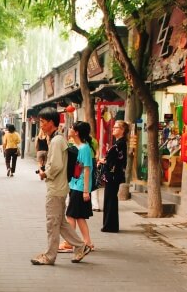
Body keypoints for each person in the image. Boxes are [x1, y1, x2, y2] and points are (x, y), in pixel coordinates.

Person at [31, 107, 92, 266]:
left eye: (43, 122)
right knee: (61, 223)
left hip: (56, 188)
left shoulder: (57, 140)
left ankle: (49, 256)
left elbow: (56, 165)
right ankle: (80, 246)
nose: (41, 126)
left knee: (52, 223)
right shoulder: (57, 139)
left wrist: (45, 173)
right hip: (59, 187)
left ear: (51, 122)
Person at [65, 121, 95, 251]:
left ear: (76, 132)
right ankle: (87, 242)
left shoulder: (84, 149)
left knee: (71, 215)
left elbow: (87, 169)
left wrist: (86, 191)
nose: (69, 129)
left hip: (80, 187)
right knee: (79, 216)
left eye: (71, 128)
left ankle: (70, 242)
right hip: (75, 185)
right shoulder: (80, 147)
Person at [99, 120, 129, 232]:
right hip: (112, 175)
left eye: (116, 127)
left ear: (122, 130)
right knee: (109, 199)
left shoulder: (120, 144)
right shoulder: (119, 143)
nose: (113, 129)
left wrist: (104, 161)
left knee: (110, 199)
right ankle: (109, 225)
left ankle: (110, 226)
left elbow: (115, 161)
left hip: (113, 176)